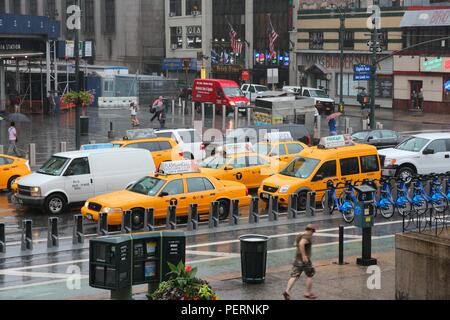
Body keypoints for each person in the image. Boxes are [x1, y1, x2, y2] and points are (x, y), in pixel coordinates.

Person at [283, 224, 317, 300]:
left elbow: (295, 243)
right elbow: (301, 244)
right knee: (310, 275)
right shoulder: (307, 236)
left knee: (294, 275)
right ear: (311, 230)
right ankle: (307, 293)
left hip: (297, 258)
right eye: (313, 231)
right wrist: (304, 255)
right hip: (305, 260)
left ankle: (287, 291)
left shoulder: (300, 235)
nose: (313, 233)